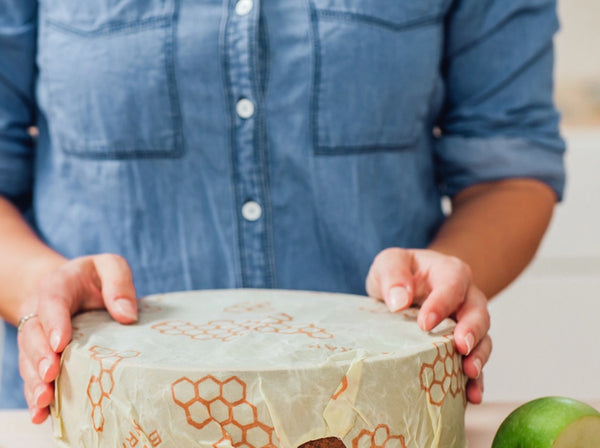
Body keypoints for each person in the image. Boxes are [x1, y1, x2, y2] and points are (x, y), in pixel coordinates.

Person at [0, 0, 564, 423]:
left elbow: (508, 163)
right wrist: (38, 284)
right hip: (85, 429)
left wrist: (449, 268)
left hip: (377, 434)